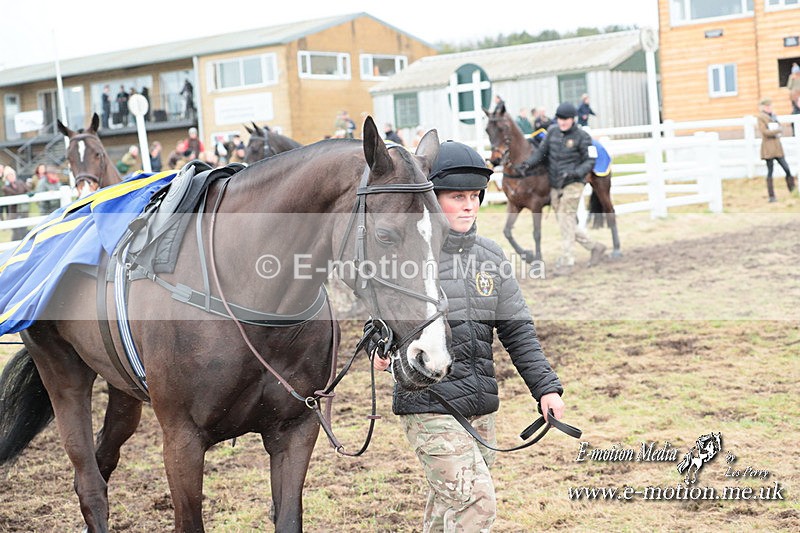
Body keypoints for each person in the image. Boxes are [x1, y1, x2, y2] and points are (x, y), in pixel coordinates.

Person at [373, 140, 566, 532]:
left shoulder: (492, 257)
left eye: (475, 196)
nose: (468, 205)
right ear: (431, 199)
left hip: (480, 405)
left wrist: (546, 388)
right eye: (456, 196)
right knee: (474, 502)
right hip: (427, 403)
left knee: (449, 507)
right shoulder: (412, 254)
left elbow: (518, 331)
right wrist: (377, 342)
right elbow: (381, 311)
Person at [518, 102, 606, 276]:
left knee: (566, 218)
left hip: (574, 183)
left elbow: (589, 161)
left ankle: (567, 261)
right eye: (559, 118)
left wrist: (575, 173)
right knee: (566, 222)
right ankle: (595, 247)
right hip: (555, 184)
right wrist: (527, 164)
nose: (562, 122)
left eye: (565, 119)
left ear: (572, 119)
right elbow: (541, 153)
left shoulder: (582, 136)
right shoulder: (552, 132)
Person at [757, 98, 797, 202]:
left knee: (786, 168)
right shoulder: (761, 117)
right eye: (768, 106)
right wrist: (776, 131)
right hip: (768, 148)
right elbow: (764, 132)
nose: (770, 108)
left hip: (777, 147)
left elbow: (779, 128)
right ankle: (771, 196)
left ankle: (793, 189)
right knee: (770, 171)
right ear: (764, 107)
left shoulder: (773, 116)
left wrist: (778, 130)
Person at [2, 166, 31, 240]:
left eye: (12, 175)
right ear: (6, 177)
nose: (11, 177)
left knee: (24, 228)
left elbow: (27, 190)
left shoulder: (20, 183)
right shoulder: (5, 187)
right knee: (16, 231)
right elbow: (14, 194)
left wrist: (29, 192)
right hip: (13, 211)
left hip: (23, 210)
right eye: (9, 175)